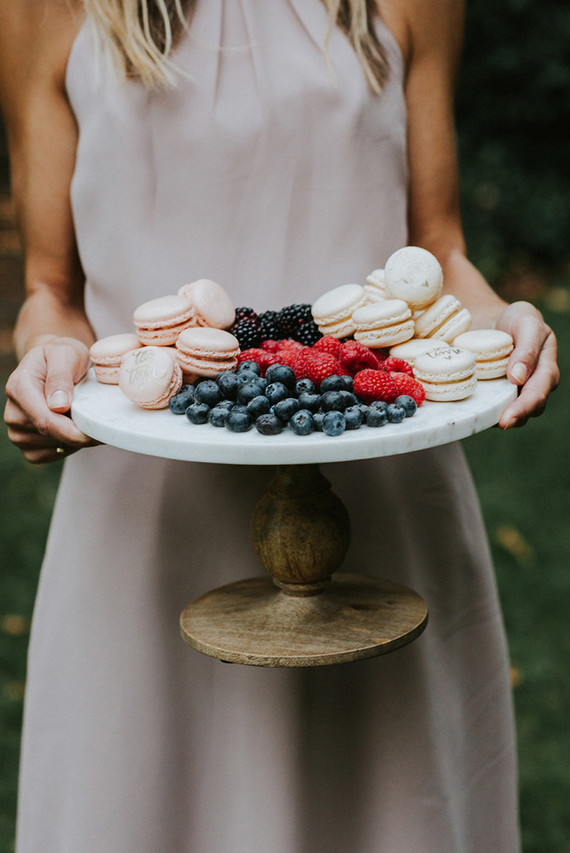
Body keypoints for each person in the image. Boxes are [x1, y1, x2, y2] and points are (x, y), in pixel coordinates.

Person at [0, 1, 559, 851]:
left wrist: (495, 329)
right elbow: (51, 288)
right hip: (147, 520)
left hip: (384, 496)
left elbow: (437, 249)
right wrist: (45, 359)